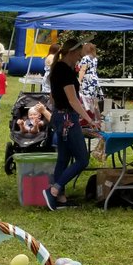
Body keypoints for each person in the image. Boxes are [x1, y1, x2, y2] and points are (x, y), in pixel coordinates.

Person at [44, 39, 101, 210]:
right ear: (71, 52)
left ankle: (59, 199)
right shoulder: (65, 71)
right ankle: (54, 190)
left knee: (64, 158)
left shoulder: (58, 68)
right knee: (82, 159)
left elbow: (53, 98)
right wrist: (90, 120)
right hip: (68, 119)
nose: (79, 58)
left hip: (59, 116)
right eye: (78, 54)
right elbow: (73, 99)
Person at [78, 42, 104, 116]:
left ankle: (88, 116)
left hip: (87, 80)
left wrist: (79, 80)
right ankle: (96, 116)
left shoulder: (85, 58)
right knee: (94, 100)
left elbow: (83, 70)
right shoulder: (94, 58)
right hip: (94, 79)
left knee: (86, 99)